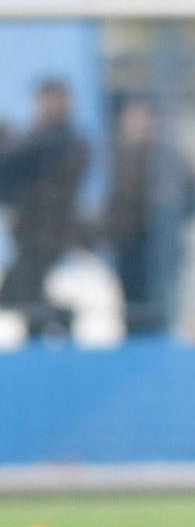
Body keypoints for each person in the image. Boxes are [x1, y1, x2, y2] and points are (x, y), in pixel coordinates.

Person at [101, 97, 195, 334]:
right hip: (128, 247)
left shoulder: (171, 158)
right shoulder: (117, 158)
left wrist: (167, 206)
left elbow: (193, 201)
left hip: (162, 248)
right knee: (132, 310)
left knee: (162, 311)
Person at [0, 80, 88, 336]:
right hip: (31, 234)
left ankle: (62, 320)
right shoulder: (42, 138)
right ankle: (45, 333)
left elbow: (17, 163)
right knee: (27, 294)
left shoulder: (64, 141)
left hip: (46, 234)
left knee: (20, 295)